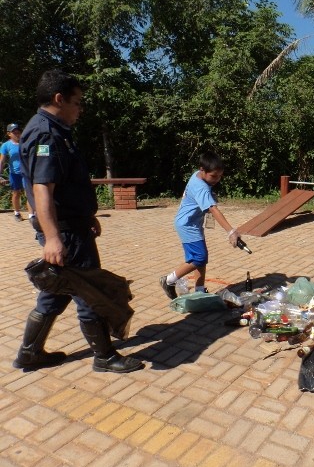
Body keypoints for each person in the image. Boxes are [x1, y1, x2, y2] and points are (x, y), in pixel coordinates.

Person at [14, 69, 143, 373]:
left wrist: (87, 217)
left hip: (73, 227)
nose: (80, 108)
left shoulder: (50, 129)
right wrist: (54, 237)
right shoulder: (46, 133)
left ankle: (30, 353)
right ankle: (105, 356)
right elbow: (42, 189)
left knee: (55, 293)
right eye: (77, 102)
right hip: (67, 235)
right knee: (89, 292)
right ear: (59, 99)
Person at [160, 151, 243, 298]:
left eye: (219, 176)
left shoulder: (198, 175)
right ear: (202, 170)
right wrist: (231, 231)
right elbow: (213, 209)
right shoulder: (201, 187)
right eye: (213, 176)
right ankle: (169, 280)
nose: (216, 180)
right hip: (187, 225)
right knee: (199, 258)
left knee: (200, 258)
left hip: (193, 223)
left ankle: (199, 292)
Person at [0, 123, 34, 222]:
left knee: (29, 193)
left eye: (18, 131)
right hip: (14, 173)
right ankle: (17, 213)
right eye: (14, 132)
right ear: (9, 134)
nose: (17, 134)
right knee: (16, 193)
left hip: (26, 173)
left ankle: (31, 215)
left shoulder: (26, 143)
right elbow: (2, 161)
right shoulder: (6, 145)